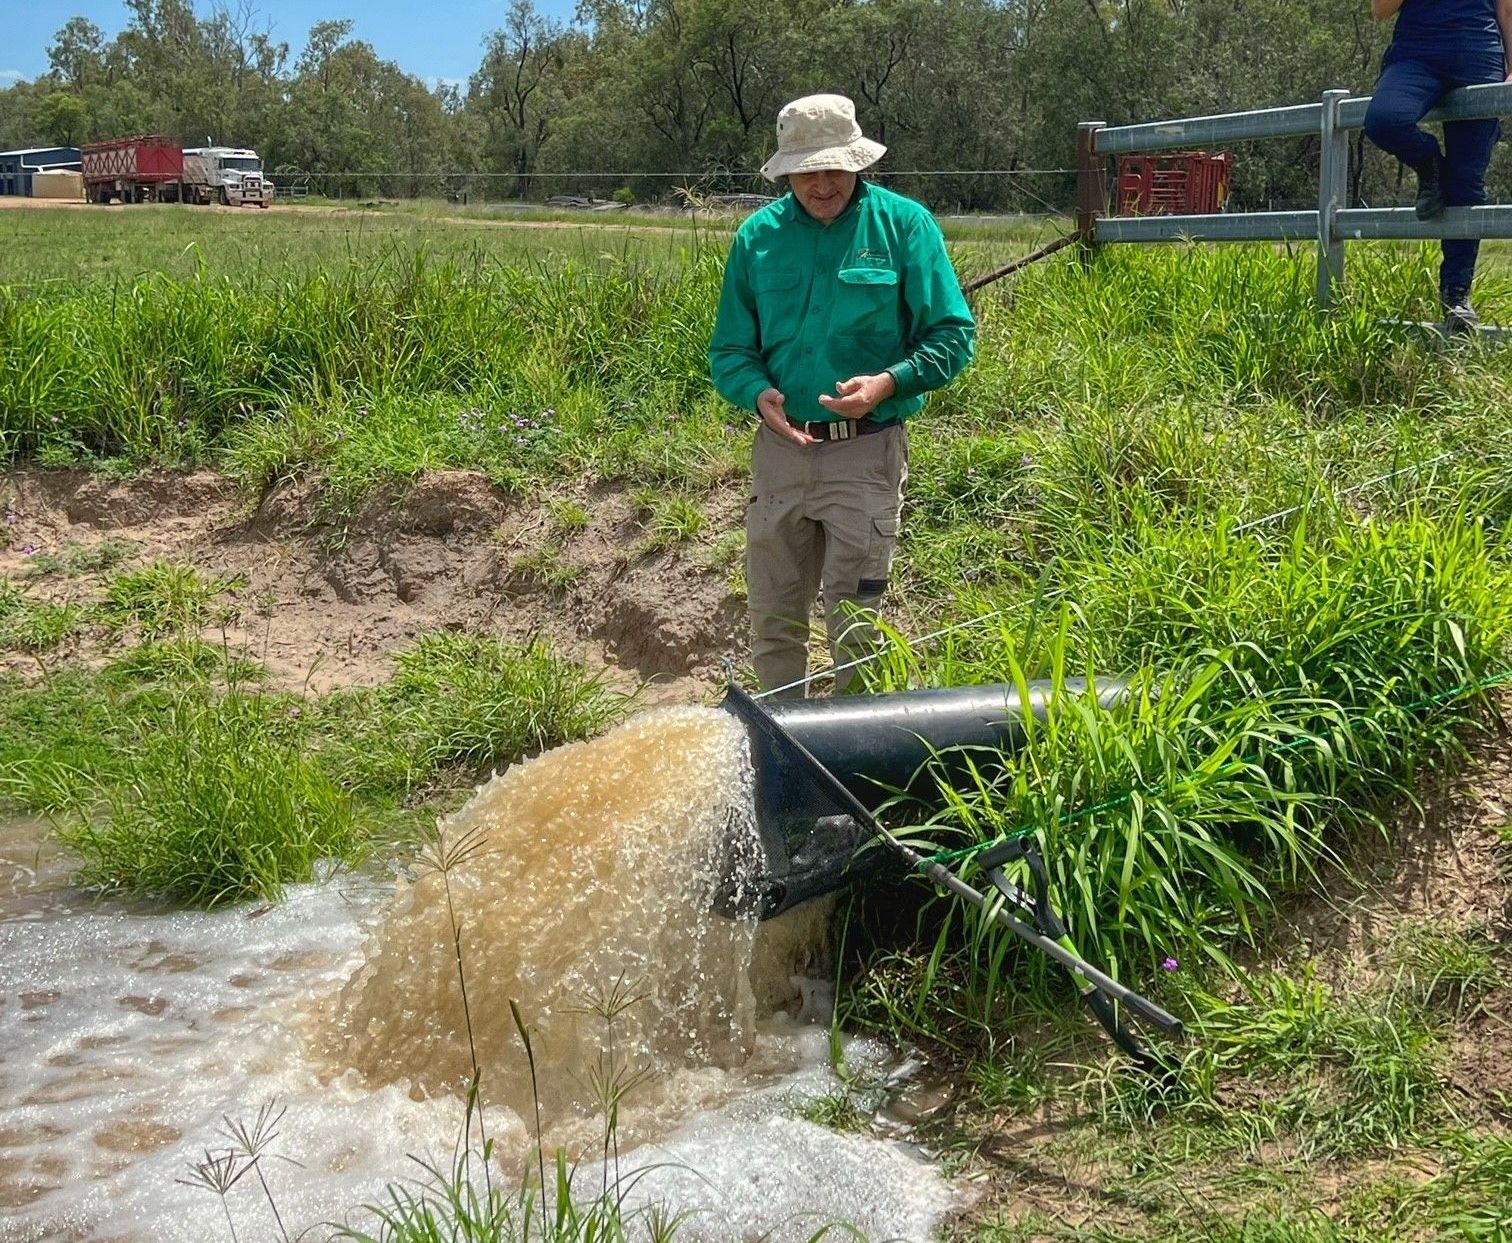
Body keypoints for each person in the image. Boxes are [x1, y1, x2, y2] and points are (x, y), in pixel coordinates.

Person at [709, 93, 976, 698]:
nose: (822, 183)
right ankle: (779, 753)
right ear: (787, 172)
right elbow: (730, 351)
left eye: (834, 167)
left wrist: (889, 383)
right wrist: (757, 395)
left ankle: (856, 763)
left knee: (855, 627)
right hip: (780, 454)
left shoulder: (906, 226)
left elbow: (953, 336)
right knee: (774, 620)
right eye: (807, 170)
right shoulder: (757, 238)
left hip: (867, 451)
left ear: (858, 163)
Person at [1363, 0, 1512, 329]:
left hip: (1479, 54)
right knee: (1384, 121)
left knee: (1466, 181)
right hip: (1417, 53)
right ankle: (1429, 163)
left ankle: (1457, 296)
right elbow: (1380, 11)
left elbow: (1507, 10)